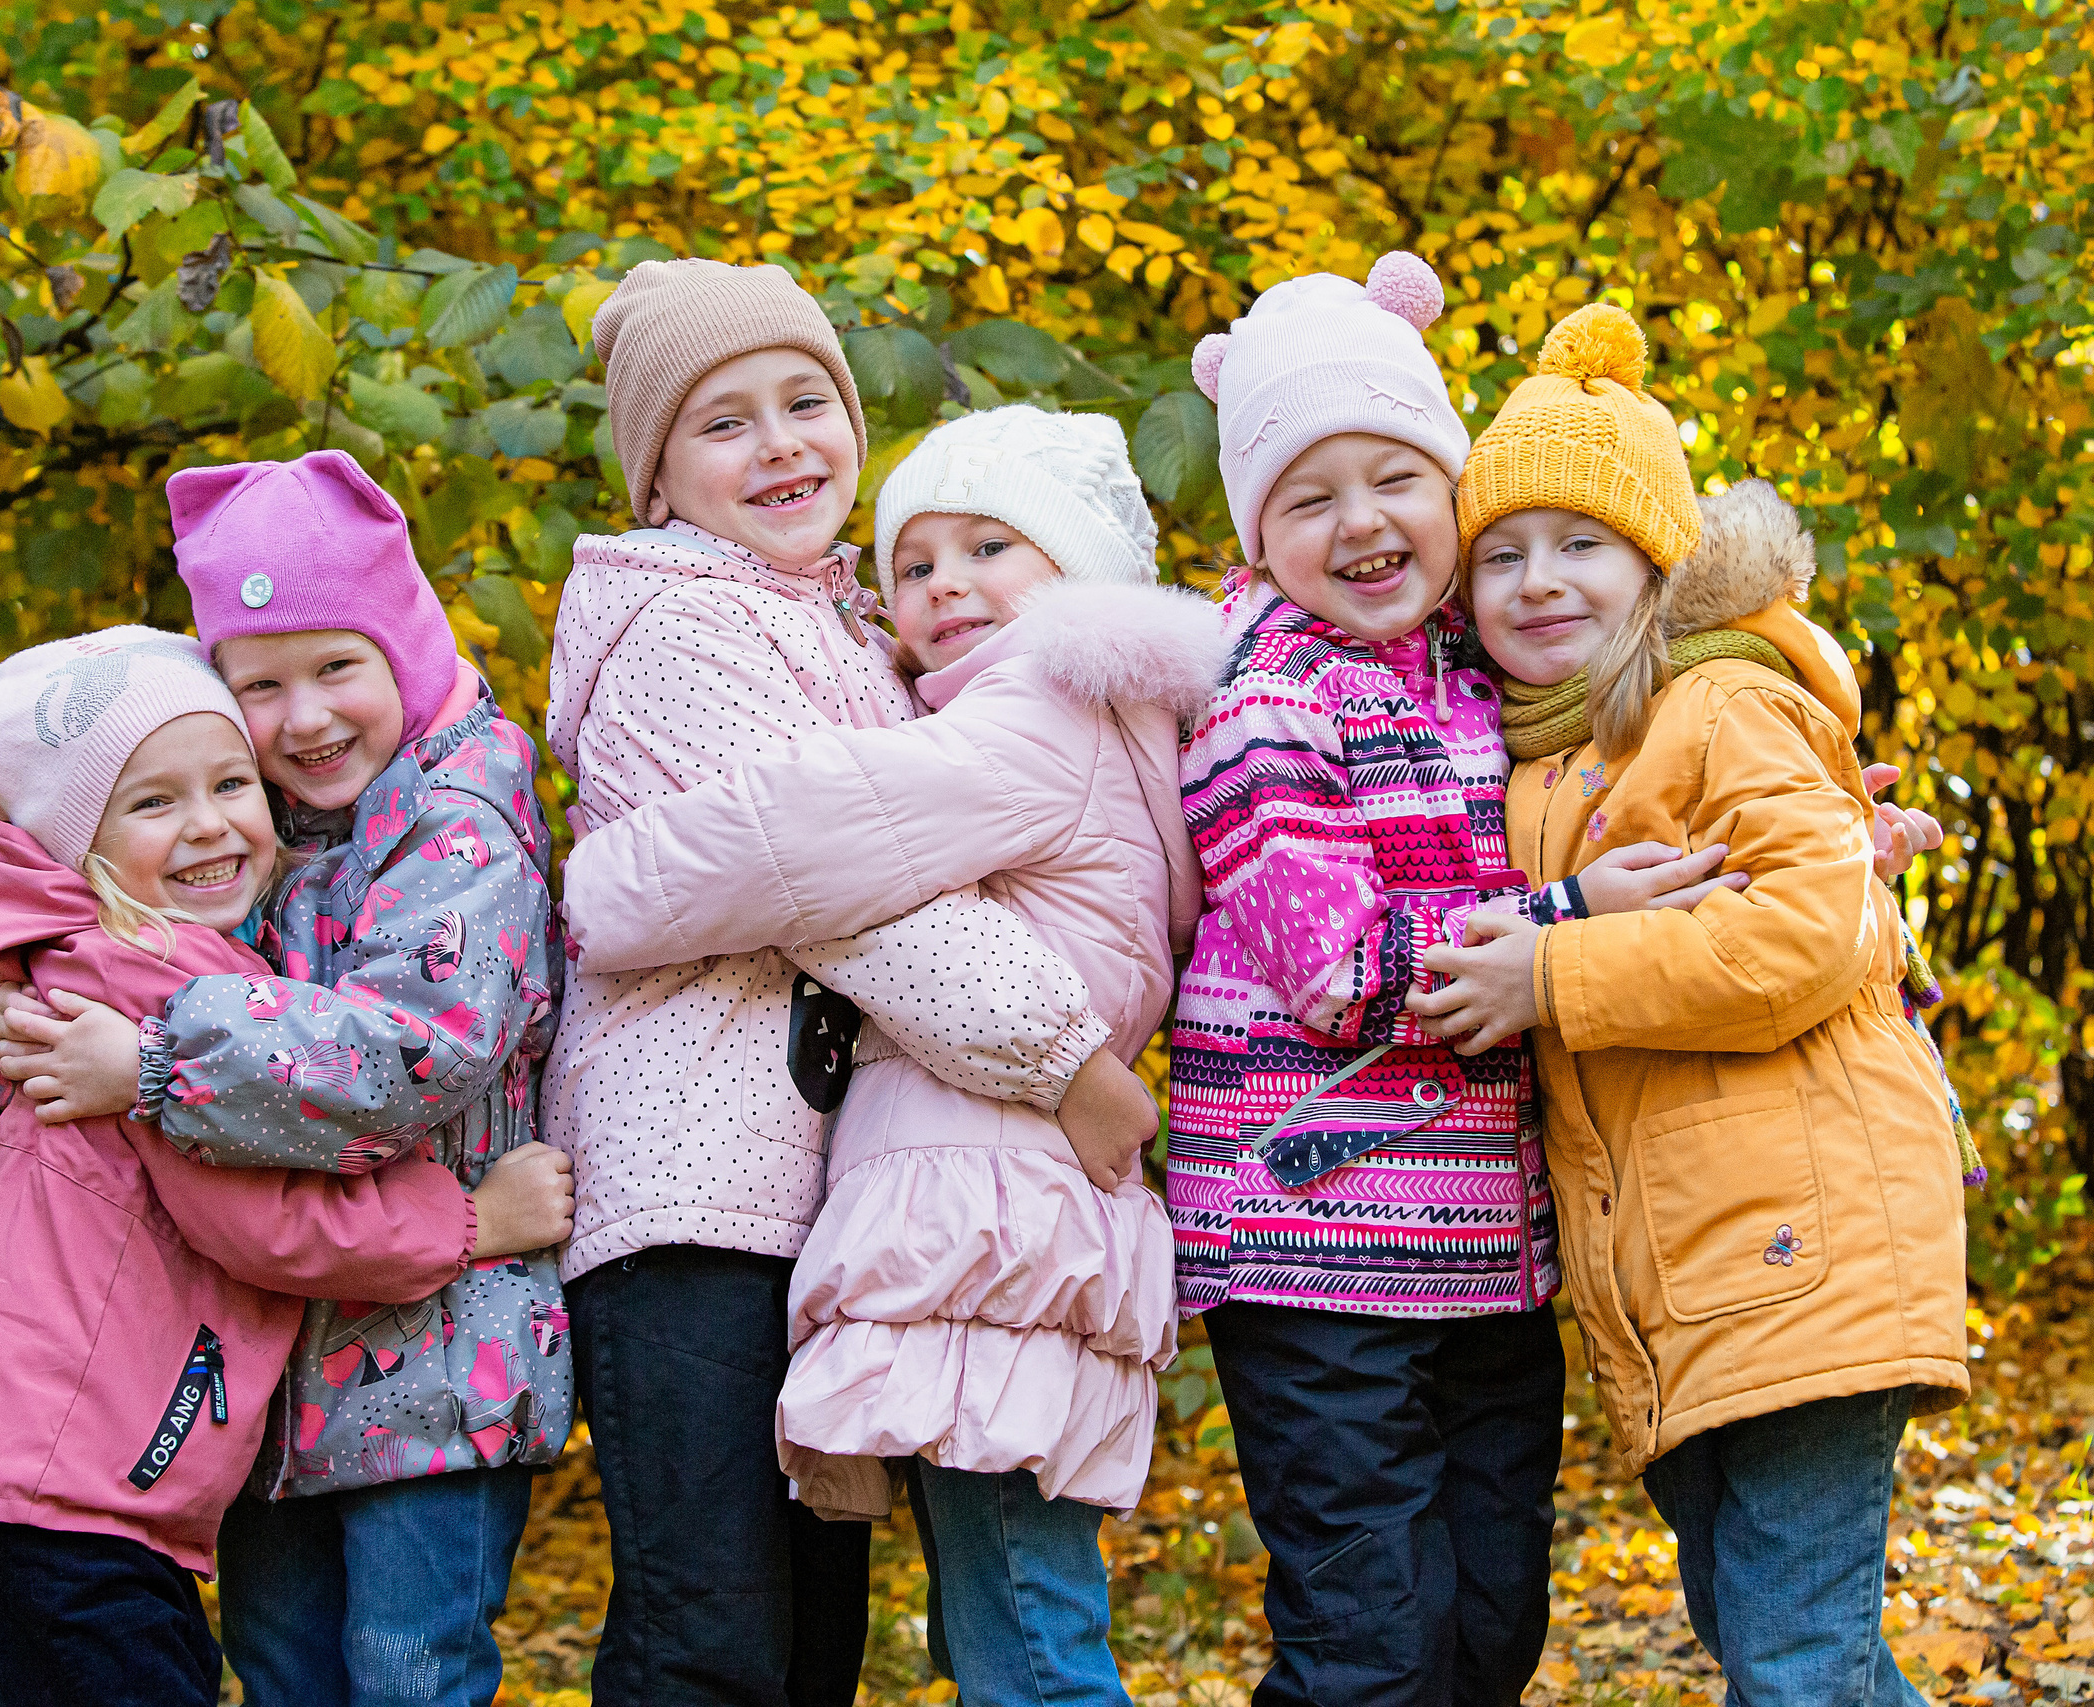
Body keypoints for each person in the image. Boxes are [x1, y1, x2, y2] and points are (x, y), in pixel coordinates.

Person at [543, 261, 1155, 1707]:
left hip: (805, 1191)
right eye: (723, 423)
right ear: (655, 476)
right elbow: (852, 899)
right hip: (687, 1183)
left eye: (806, 401)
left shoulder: (849, 636)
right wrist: (1061, 1054)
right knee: (715, 1630)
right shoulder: (676, 628)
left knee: (812, 1641)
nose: (781, 445)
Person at [1164, 254, 1772, 1707]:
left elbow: (1648, 799)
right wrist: (1560, 916)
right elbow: (1331, 963)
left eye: (1397, 480)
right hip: (1312, 1235)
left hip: (1491, 1250)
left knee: (1491, 1624)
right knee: (1369, 1645)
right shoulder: (1267, 700)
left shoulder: (1490, 665)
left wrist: (1831, 823)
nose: (1363, 522)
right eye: (1310, 499)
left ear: (1456, 492)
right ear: (1261, 527)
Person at [1412, 302, 1973, 1705]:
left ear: (1660, 561)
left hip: (1804, 1240)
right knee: (1780, 1636)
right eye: (1503, 554)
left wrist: (1555, 973)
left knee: (1789, 1658)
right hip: (1691, 1279)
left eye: (1583, 543)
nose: (1541, 581)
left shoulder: (1715, 703)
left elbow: (1803, 930)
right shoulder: (1540, 761)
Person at [0, 453, 572, 1707]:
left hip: (439, 1360)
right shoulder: (256, 823)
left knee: (408, 1672)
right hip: (264, 1378)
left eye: (337, 667)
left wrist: (151, 1062)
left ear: (402, 643)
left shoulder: (460, 820)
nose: (305, 720)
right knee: (280, 1671)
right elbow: (94, 935)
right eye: (261, 687)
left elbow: (413, 1052)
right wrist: (16, 1013)